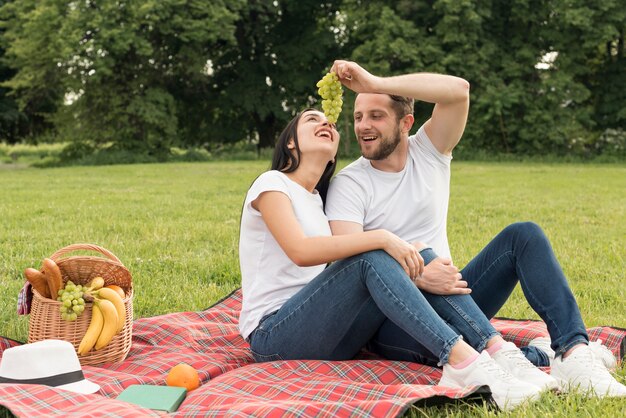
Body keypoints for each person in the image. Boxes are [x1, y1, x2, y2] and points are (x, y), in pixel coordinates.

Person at [324, 60, 626, 398]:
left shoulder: (429, 151)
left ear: (406, 122)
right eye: (358, 117)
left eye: (376, 115)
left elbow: (458, 91)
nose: (363, 125)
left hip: (454, 299)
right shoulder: (350, 183)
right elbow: (349, 262)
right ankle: (536, 355)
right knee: (430, 265)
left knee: (523, 235)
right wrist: (419, 276)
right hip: (393, 324)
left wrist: (374, 81)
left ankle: (573, 354)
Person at [238, 107, 558, 410]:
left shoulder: (318, 202)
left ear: (335, 152)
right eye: (312, 120)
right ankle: (464, 360)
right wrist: (382, 238)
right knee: (371, 254)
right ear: (290, 141)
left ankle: (497, 350)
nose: (326, 124)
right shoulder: (272, 184)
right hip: (274, 335)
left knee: (416, 253)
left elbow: (336, 277)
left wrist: (411, 254)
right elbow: (301, 251)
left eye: (332, 124)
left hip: (331, 335)